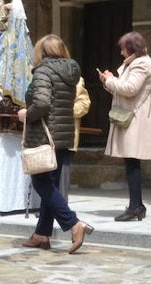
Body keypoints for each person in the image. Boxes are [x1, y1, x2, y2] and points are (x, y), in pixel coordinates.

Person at [17, 35, 94, 254]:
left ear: (42, 51)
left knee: (42, 184)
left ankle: (73, 224)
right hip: (62, 136)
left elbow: (41, 103)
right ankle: (42, 234)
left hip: (44, 135)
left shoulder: (43, 71)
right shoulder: (70, 73)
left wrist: (26, 114)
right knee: (50, 185)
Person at [98, 31, 151, 222]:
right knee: (131, 161)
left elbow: (130, 89)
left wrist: (110, 80)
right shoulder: (135, 62)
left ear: (131, 48)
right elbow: (123, 88)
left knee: (132, 162)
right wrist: (108, 81)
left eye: (123, 48)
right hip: (132, 116)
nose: (122, 52)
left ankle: (135, 207)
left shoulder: (141, 63)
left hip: (136, 118)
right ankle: (137, 205)